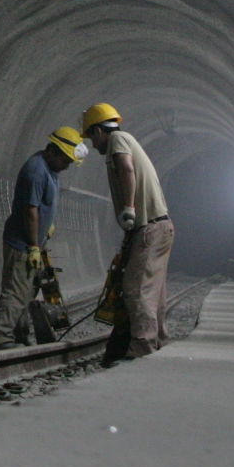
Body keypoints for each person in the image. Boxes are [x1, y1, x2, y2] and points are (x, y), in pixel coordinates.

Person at [82, 101, 173, 361]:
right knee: (155, 293)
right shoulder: (128, 138)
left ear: (99, 131)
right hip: (161, 226)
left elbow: (126, 168)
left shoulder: (118, 139)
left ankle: (142, 348)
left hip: (150, 227)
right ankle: (161, 342)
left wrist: (129, 208)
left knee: (136, 290)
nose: (92, 143)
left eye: (91, 136)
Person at [0, 127, 85, 348]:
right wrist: (33, 245)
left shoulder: (51, 169)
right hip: (22, 243)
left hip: (33, 242)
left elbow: (42, 205)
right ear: (52, 150)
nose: (66, 166)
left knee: (27, 291)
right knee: (15, 291)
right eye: (65, 160)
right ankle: (1, 337)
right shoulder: (36, 171)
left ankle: (19, 335)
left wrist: (46, 228)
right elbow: (30, 210)